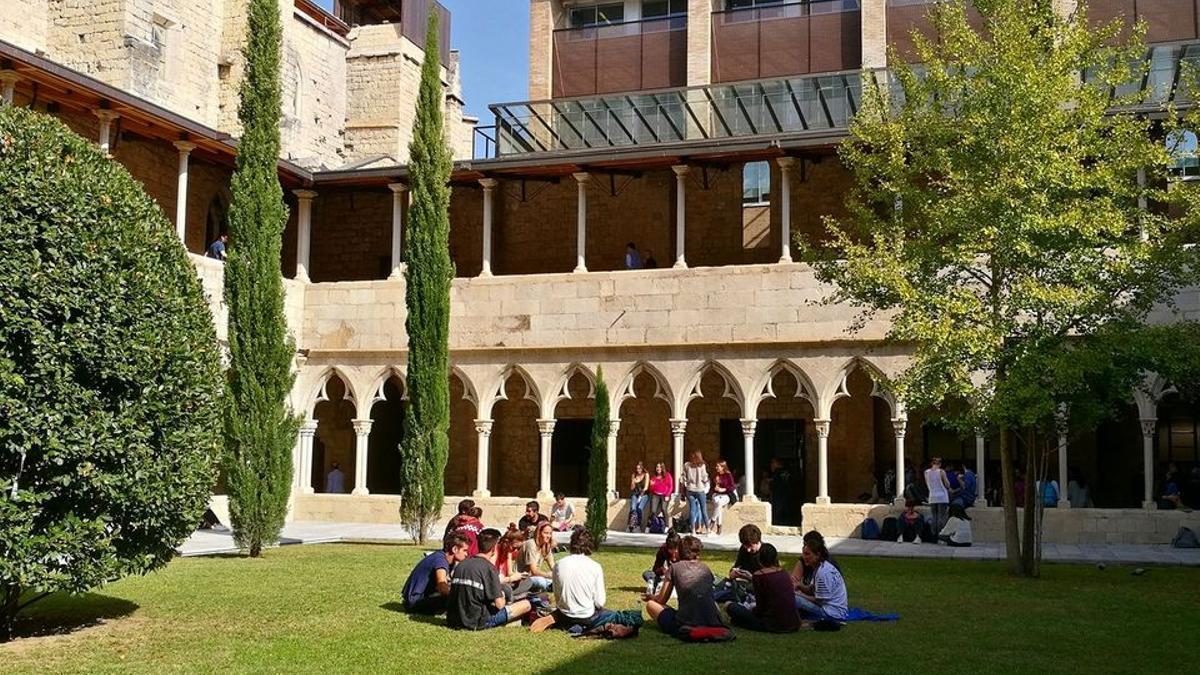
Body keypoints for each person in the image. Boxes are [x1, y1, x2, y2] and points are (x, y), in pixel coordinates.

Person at [447, 528, 537, 630]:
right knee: (526, 605)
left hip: (453, 620)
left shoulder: (461, 565)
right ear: (494, 549)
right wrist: (502, 596)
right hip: (477, 622)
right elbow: (499, 605)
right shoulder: (489, 568)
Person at [643, 535, 726, 637]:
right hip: (713, 620)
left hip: (686, 623)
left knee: (651, 605)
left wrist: (652, 597)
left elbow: (661, 600)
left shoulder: (674, 568)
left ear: (680, 551)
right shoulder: (706, 568)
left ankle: (691, 627)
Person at [532, 528, 609, 633]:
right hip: (586, 615)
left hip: (564, 614)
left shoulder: (559, 564)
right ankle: (581, 627)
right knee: (610, 615)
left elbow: (557, 594)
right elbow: (600, 602)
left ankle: (571, 625)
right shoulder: (595, 567)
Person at [725, 543, 800, 633]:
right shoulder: (784, 573)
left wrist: (749, 611)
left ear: (759, 559)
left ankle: (738, 620)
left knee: (729, 606)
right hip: (793, 623)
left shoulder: (760, 575)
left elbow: (760, 608)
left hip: (771, 624)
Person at [401, 532, 470, 614]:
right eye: (464, 550)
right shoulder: (440, 561)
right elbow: (442, 587)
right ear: (454, 549)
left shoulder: (442, 557)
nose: (466, 554)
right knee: (457, 600)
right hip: (415, 602)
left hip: (414, 599)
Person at [794, 531, 848, 622]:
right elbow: (813, 589)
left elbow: (819, 601)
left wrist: (800, 595)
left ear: (817, 554)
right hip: (833, 609)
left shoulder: (823, 572)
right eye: (803, 553)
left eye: (807, 554)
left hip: (832, 613)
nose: (804, 557)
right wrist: (799, 586)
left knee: (794, 598)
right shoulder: (821, 566)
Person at [714, 523, 762, 604]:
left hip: (755, 587)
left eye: (751, 546)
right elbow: (737, 565)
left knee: (731, 590)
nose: (748, 550)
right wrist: (734, 572)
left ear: (757, 541)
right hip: (740, 582)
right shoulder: (744, 550)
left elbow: (769, 581)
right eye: (746, 546)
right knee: (714, 579)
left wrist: (751, 577)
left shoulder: (766, 552)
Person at [517, 521, 556, 592]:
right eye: (546, 533)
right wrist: (549, 575)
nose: (548, 536)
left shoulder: (546, 546)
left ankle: (553, 585)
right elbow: (534, 571)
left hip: (536, 576)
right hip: (523, 577)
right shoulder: (531, 544)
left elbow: (553, 567)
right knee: (541, 582)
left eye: (550, 534)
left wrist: (558, 574)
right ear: (538, 533)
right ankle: (551, 587)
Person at [495, 528, 533, 598]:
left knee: (528, 581)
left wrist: (520, 575)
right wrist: (511, 579)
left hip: (505, 582)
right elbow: (494, 580)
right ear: (507, 543)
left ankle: (511, 596)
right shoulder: (495, 552)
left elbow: (510, 573)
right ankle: (512, 596)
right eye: (514, 548)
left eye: (517, 549)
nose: (515, 551)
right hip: (497, 584)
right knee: (506, 588)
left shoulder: (508, 553)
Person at [642, 530, 681, 595]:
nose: (674, 555)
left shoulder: (684, 550)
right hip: (667, 577)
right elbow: (656, 568)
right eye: (671, 551)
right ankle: (653, 583)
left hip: (681, 576)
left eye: (675, 551)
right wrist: (663, 571)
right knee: (647, 574)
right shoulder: (663, 550)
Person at [683, 451, 710, 535]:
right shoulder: (701, 466)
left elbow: (683, 477)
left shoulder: (687, 465)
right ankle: (708, 529)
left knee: (692, 510)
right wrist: (707, 481)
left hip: (690, 490)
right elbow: (704, 477)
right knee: (703, 510)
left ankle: (693, 530)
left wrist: (686, 484)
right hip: (700, 489)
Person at [709, 460, 736, 536]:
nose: (716, 467)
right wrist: (716, 488)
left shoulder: (728, 475)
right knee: (718, 505)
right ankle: (719, 527)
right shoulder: (715, 475)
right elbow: (712, 487)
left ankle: (713, 521)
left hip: (726, 495)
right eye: (716, 466)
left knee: (719, 504)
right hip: (716, 495)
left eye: (718, 466)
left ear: (723, 467)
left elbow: (732, 487)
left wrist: (724, 489)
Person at [924, 457, 951, 534]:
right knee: (941, 517)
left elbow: (928, 484)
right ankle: (941, 534)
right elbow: (947, 484)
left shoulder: (926, 472)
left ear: (931, 463)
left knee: (934, 516)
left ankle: (934, 535)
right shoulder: (941, 471)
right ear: (940, 464)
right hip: (942, 497)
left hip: (932, 496)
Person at [647, 462, 674, 530]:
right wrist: (651, 485)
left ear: (662, 468)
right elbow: (651, 490)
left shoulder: (667, 475)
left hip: (665, 495)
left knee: (663, 508)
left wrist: (667, 495)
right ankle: (649, 526)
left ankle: (667, 526)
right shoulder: (654, 477)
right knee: (653, 511)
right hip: (656, 495)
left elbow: (670, 486)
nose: (658, 468)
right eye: (657, 467)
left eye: (660, 467)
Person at [769, 458, 792, 525]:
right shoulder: (786, 472)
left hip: (779, 499)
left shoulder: (777, 473)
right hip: (786, 499)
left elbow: (775, 485)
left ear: (777, 464)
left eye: (773, 463)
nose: (771, 465)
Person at [629, 462, 650, 531]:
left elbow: (646, 487)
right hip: (635, 494)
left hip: (644, 494)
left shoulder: (646, 475)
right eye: (637, 468)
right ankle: (632, 525)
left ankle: (638, 525)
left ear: (642, 468)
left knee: (639, 508)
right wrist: (633, 481)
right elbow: (632, 488)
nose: (638, 470)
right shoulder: (634, 475)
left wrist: (641, 496)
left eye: (639, 468)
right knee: (633, 508)